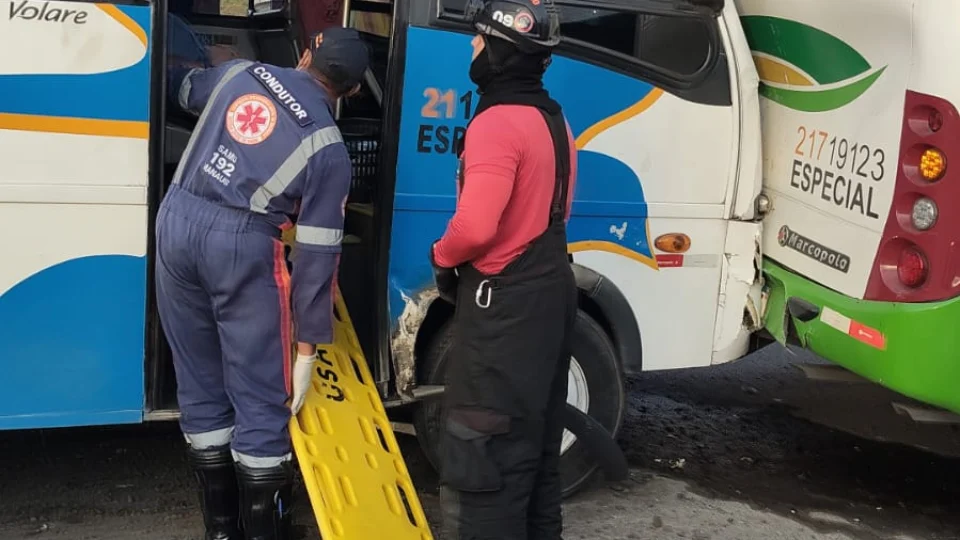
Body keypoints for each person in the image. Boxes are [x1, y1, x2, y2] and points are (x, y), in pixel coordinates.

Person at [156, 27, 369, 540]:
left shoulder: (240, 74)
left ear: (306, 53)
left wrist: (204, 59)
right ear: (353, 90)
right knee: (261, 400)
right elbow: (317, 255)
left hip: (176, 221)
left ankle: (221, 532)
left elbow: (184, 89)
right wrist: (307, 347)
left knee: (200, 385)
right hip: (242, 247)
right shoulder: (329, 148)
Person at [428, 0, 578, 537]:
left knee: (483, 454)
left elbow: (475, 227)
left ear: (500, 51)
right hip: (552, 293)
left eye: (479, 38)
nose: (472, 45)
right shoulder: (554, 120)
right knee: (535, 452)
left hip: (505, 310)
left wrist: (441, 256)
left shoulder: (495, 123)